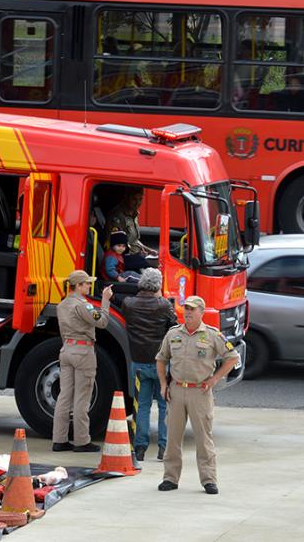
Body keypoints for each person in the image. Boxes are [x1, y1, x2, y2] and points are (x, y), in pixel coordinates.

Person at [156, 295, 240, 495]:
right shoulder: (173, 333)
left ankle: (209, 480)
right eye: (186, 309)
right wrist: (162, 385)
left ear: (201, 312)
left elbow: (232, 358)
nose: (188, 313)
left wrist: (214, 379)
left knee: (203, 438)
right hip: (176, 390)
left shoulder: (212, 335)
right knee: (173, 438)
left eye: (192, 310)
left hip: (200, 392)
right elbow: (161, 359)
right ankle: (170, 478)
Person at [52, 270, 113, 453]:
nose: (89, 285)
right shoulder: (82, 306)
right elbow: (102, 322)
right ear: (78, 286)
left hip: (67, 349)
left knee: (64, 396)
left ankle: (59, 439)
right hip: (83, 351)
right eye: (86, 283)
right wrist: (105, 300)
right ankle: (81, 440)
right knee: (82, 398)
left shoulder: (62, 305)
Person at [122, 268, 177, 461]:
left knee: (142, 406)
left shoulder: (128, 304)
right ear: (158, 285)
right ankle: (163, 448)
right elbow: (175, 324)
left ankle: (140, 448)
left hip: (138, 362)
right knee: (165, 405)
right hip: (161, 363)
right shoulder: (163, 305)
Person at [106, 186, 155, 260]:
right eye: (134, 199)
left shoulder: (133, 213)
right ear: (126, 197)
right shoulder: (118, 216)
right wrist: (138, 257)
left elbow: (134, 241)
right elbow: (116, 247)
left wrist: (149, 250)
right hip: (123, 260)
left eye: (140, 199)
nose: (138, 203)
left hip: (135, 255)